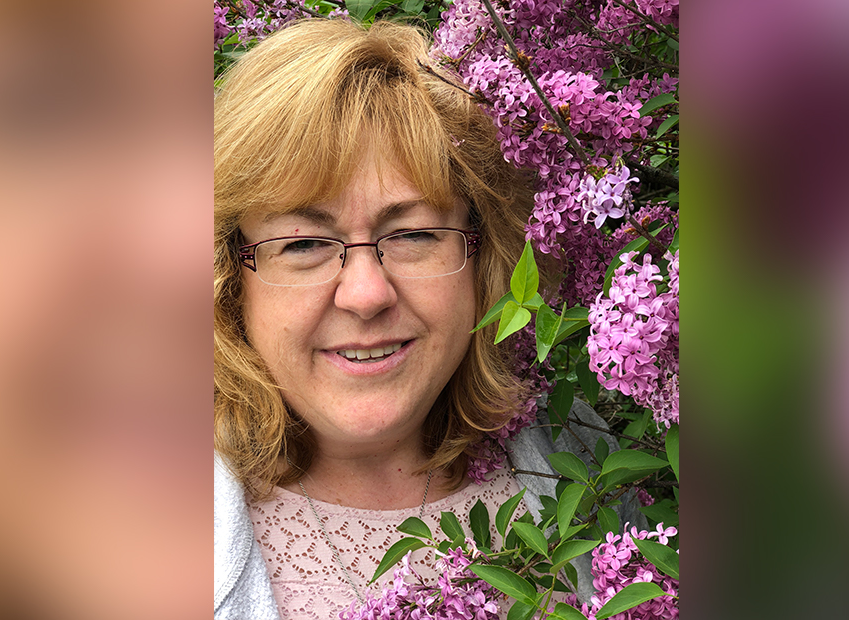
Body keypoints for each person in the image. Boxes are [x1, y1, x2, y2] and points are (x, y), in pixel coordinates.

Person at [214, 18, 642, 620]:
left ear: (483, 261)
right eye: (304, 244)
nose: (365, 295)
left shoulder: (584, 457)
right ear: (230, 282)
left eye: (414, 233)